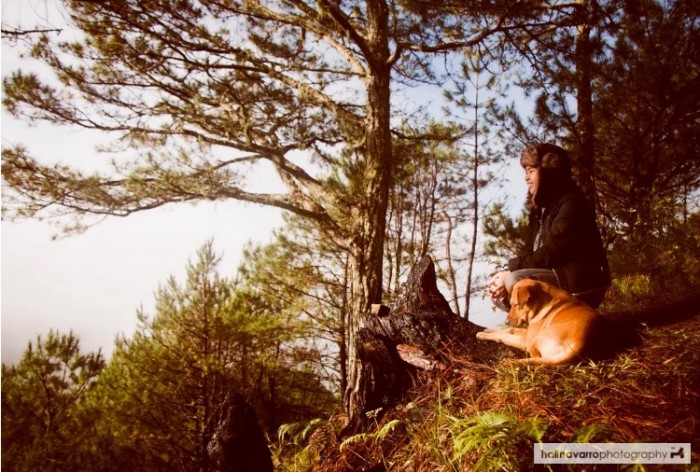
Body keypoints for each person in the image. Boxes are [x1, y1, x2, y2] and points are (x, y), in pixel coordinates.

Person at [488, 143, 610, 310]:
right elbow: (528, 250)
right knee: (500, 292)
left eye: (531, 171)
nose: (526, 178)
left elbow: (552, 251)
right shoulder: (539, 210)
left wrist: (510, 273)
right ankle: (541, 328)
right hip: (558, 277)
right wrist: (505, 272)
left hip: (583, 286)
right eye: (525, 172)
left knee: (514, 281)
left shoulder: (572, 202)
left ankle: (551, 326)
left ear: (548, 174)